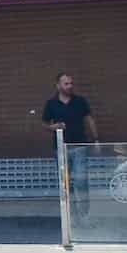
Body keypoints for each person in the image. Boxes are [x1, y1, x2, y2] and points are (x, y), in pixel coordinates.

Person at [42, 72, 99, 224]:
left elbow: (89, 119)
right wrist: (53, 127)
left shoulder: (80, 101)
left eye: (71, 83)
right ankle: (71, 215)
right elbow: (45, 124)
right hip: (61, 148)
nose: (69, 86)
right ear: (58, 85)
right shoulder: (51, 104)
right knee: (66, 182)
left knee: (81, 181)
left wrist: (96, 139)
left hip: (79, 146)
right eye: (66, 84)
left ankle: (85, 215)